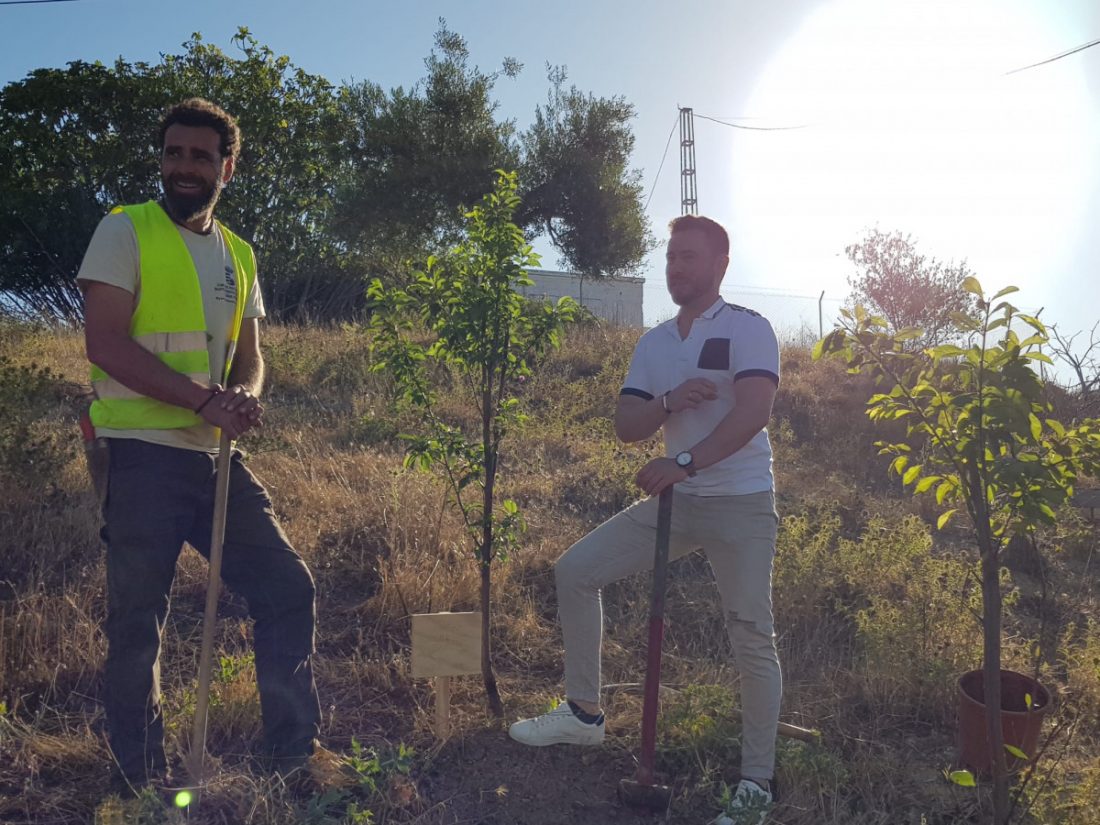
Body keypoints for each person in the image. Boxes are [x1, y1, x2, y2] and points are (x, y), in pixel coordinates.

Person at [78, 98, 321, 793]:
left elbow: (251, 354)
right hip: (140, 453)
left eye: (199, 156)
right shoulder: (124, 230)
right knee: (137, 621)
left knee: (285, 586)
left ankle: (292, 759)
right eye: (173, 153)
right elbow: (105, 344)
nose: (183, 167)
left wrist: (243, 392)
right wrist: (202, 399)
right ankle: (139, 779)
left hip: (215, 458)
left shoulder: (239, 253)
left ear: (227, 167)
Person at [509, 215, 782, 824]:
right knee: (576, 571)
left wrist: (684, 459)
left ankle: (756, 783)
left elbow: (754, 413)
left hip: (740, 505)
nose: (676, 267)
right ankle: (584, 715)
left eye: (689, 256)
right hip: (676, 504)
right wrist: (669, 401)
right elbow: (628, 427)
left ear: (720, 265)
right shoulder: (655, 343)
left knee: (750, 634)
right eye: (671, 257)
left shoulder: (748, 328)